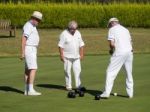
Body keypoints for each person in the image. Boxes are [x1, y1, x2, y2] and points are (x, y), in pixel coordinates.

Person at [100, 17, 134, 98]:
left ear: (112, 23)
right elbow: (130, 42)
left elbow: (112, 44)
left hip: (119, 52)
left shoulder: (112, 30)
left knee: (110, 72)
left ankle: (106, 93)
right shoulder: (126, 29)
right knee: (129, 73)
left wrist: (111, 50)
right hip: (129, 52)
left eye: (109, 25)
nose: (109, 27)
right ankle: (130, 94)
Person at [58, 21, 85, 91]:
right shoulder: (64, 34)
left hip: (76, 56)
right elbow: (60, 46)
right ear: (68, 28)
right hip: (67, 56)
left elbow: (81, 44)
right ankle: (68, 86)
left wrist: (82, 54)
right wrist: (61, 55)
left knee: (78, 71)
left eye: (75, 28)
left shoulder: (78, 33)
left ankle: (78, 86)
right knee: (67, 71)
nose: (74, 30)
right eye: (72, 29)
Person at [21, 11, 42, 95]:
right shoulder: (28, 26)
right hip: (29, 48)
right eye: (38, 20)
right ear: (34, 18)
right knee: (33, 68)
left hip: (31, 48)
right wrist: (22, 52)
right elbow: (23, 39)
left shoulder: (32, 26)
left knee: (27, 70)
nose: (39, 22)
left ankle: (26, 89)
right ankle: (30, 90)